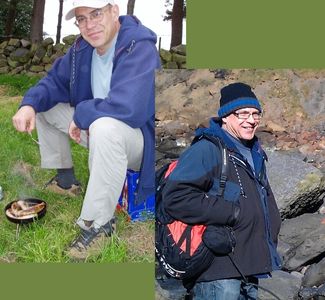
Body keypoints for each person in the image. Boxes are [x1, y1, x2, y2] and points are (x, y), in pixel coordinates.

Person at [12, 0, 160, 260]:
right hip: (98, 128)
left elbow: (130, 107)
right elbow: (52, 82)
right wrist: (29, 105)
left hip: (138, 142)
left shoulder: (138, 45)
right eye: (82, 19)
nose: (89, 25)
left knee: (104, 126)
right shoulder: (82, 49)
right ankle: (66, 181)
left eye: (96, 14)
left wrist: (82, 115)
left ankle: (99, 224)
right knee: (45, 107)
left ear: (114, 11)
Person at [162, 82, 282, 300]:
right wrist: (232, 212)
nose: (251, 120)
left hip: (249, 264)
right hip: (218, 269)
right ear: (225, 117)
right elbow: (176, 197)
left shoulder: (253, 151)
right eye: (243, 113)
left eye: (256, 114)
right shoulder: (207, 149)